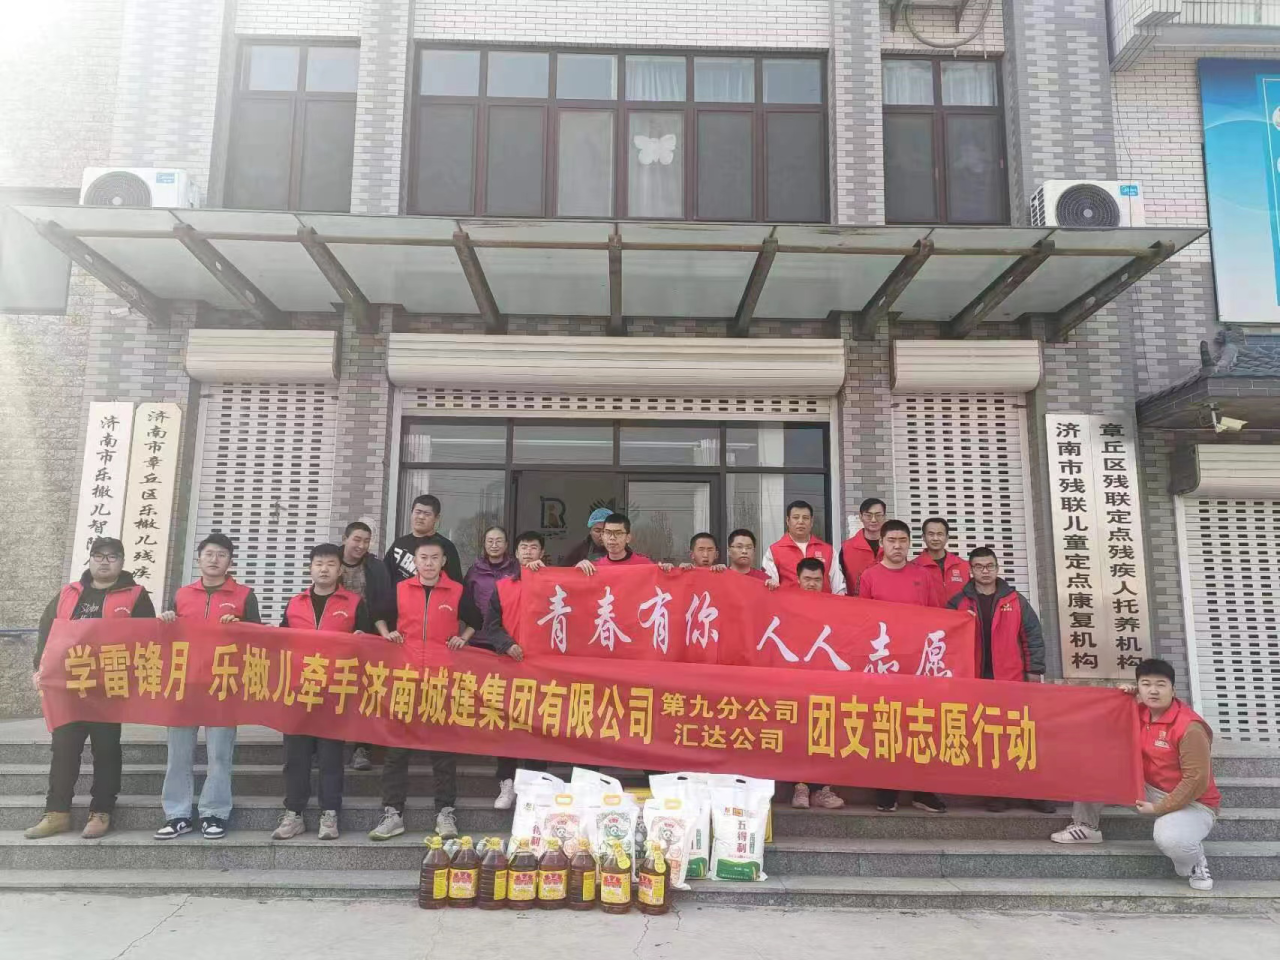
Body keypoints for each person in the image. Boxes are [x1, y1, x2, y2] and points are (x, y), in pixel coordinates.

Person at [1050, 659, 1220, 892]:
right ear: (1138, 688)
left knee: (1172, 839)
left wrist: (1159, 808)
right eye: (1146, 684)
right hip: (1148, 789)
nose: (1153, 690)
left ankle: (1194, 862)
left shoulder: (1189, 727)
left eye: (1160, 685)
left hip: (1193, 803)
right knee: (1092, 760)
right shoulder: (1135, 712)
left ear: (1173, 690)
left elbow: (1196, 780)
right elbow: (1097, 723)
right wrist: (1120, 698)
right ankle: (1086, 825)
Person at [25, 538, 156, 840]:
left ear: (122, 561)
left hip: (109, 688)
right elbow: (47, 632)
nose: (104, 561)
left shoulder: (135, 596)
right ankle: (57, 813)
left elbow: (148, 639)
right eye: (98, 555)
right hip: (68, 686)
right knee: (63, 749)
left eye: (112, 556)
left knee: (106, 749)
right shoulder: (69, 593)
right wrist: (39, 668)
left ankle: (101, 811)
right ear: (90, 559)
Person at [369, 540, 482, 841]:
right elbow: (376, 613)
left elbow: (476, 619)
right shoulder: (400, 589)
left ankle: (445, 813)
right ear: (415, 562)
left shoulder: (456, 590)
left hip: (441, 677)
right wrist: (387, 633)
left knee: (443, 749)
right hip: (405, 677)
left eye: (434, 558)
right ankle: (393, 813)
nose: (429, 563)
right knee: (397, 749)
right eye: (423, 558)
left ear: (443, 561)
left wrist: (463, 638)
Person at [154, 533, 261, 841]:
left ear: (230, 562)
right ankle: (177, 815)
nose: (215, 559)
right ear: (199, 558)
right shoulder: (182, 594)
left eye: (222, 555)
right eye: (209, 553)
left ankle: (215, 813)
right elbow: (166, 641)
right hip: (184, 684)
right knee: (178, 755)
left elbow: (260, 639)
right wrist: (166, 621)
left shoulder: (244, 595)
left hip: (222, 685)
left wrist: (241, 627)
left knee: (219, 755)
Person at [272, 543, 376, 841]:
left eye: (330, 564)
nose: (324, 569)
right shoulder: (295, 603)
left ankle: (330, 814)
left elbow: (368, 644)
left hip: (335, 692)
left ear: (340, 569)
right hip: (298, 691)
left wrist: (362, 639)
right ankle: (294, 813)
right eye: (319, 563)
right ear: (310, 568)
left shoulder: (354, 603)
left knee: (331, 757)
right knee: (296, 757)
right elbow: (279, 642)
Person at [947, 547, 1055, 815]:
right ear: (970, 571)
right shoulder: (958, 602)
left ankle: (1034, 792)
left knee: (1022, 735)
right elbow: (945, 639)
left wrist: (1034, 672)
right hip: (975, 681)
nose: (985, 571)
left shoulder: (1015, 600)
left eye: (990, 566)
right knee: (987, 738)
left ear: (997, 568)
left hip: (1011, 680)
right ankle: (997, 792)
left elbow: (1032, 637)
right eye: (979, 566)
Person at [858, 519, 947, 815]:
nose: (897, 546)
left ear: (910, 543)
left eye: (902, 540)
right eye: (892, 540)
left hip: (917, 665)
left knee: (921, 725)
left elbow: (939, 618)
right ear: (882, 543)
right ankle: (887, 789)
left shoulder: (923, 576)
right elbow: (862, 620)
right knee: (885, 724)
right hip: (884, 666)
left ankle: (923, 790)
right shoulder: (869, 576)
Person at [478, 530, 547, 810]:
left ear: (542, 553)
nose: (528, 552)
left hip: (543, 670)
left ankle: (534, 786)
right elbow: (490, 625)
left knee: (538, 727)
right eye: (524, 547)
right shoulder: (503, 586)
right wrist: (507, 644)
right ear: (516, 553)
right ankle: (507, 783)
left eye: (534, 547)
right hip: (510, 666)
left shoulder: (555, 584)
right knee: (507, 726)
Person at [338, 521, 395, 772]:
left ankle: (362, 749)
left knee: (366, 692)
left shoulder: (376, 567)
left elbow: (384, 602)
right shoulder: (331, 560)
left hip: (368, 637)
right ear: (345, 539)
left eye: (366, 541)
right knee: (333, 691)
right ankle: (325, 745)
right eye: (356, 539)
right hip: (335, 637)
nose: (361, 545)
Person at [789, 558, 845, 811]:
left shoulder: (835, 608)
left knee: (826, 732)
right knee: (799, 733)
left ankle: (823, 789)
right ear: (798, 580)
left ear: (824, 581)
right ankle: (800, 787)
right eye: (807, 579)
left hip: (826, 681)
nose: (812, 584)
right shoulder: (786, 605)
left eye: (817, 580)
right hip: (795, 680)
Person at [762, 500, 845, 594]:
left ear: (812, 522)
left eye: (805, 518)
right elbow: (770, 586)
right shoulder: (774, 551)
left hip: (822, 603)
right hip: (789, 603)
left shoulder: (828, 550)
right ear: (788, 521)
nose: (800, 521)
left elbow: (839, 588)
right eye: (796, 517)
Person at [384, 493, 463, 584]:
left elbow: (455, 584)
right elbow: (384, 576)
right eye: (418, 512)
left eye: (427, 514)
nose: (421, 517)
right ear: (411, 513)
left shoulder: (446, 546)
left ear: (436, 518)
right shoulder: (399, 543)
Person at [463, 525, 520, 634]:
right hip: (479, 634)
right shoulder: (475, 570)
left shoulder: (516, 569)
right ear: (484, 544)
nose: (494, 545)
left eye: (499, 541)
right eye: (490, 541)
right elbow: (466, 601)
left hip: (508, 636)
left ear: (506, 544)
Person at [913, 517, 971, 606]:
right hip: (928, 615)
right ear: (923, 537)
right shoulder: (913, 567)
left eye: (940, 534)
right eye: (931, 534)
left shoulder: (963, 565)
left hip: (957, 615)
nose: (935, 538)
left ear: (947, 537)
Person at [575, 513, 653, 573]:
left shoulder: (644, 564)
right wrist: (578, 570)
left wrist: (661, 569)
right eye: (608, 532)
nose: (612, 537)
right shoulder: (594, 568)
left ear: (628, 538)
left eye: (618, 533)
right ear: (602, 536)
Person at [840, 497, 887, 596]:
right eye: (868, 515)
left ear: (884, 517)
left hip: (887, 603)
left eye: (878, 515)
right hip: (857, 603)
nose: (873, 520)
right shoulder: (846, 548)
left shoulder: (893, 546)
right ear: (861, 517)